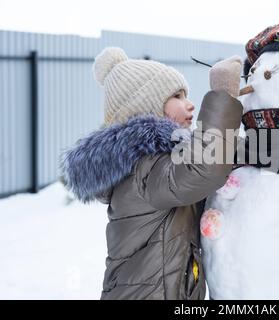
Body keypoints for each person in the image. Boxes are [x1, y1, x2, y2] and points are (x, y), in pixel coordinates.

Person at [61, 47, 243, 299]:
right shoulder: (145, 168)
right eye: (177, 96)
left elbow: (208, 159)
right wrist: (222, 95)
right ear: (148, 108)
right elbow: (203, 170)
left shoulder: (159, 162)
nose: (189, 104)